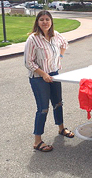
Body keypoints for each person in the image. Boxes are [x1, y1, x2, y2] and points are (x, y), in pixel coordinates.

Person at [24, 10, 74, 152]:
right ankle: (37, 141)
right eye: (42, 20)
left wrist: (61, 57)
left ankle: (61, 128)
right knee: (43, 109)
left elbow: (65, 44)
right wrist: (43, 73)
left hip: (54, 74)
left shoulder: (56, 35)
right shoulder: (33, 39)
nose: (45, 22)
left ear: (51, 21)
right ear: (37, 22)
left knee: (58, 103)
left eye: (47, 19)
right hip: (39, 78)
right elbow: (28, 62)